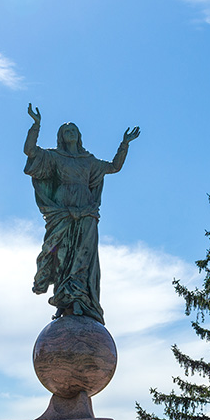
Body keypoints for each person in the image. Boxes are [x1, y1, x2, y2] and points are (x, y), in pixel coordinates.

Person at [24, 103, 140, 324]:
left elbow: (114, 167)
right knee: (61, 256)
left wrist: (124, 144)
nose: (70, 133)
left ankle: (79, 299)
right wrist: (35, 126)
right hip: (61, 213)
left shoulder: (89, 161)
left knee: (82, 256)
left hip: (86, 211)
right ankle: (62, 300)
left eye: (74, 130)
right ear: (61, 136)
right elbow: (30, 152)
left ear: (79, 136)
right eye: (66, 131)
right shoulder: (54, 157)